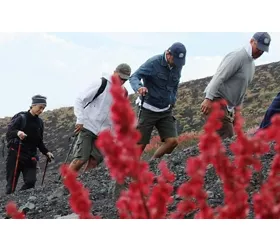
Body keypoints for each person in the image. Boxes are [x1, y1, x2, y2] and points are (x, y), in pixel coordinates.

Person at [201, 32, 272, 139]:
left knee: (221, 141)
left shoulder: (251, 65)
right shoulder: (238, 56)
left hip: (227, 108)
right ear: (251, 41)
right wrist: (208, 98)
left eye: (263, 50)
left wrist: (237, 113)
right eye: (259, 47)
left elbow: (242, 90)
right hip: (216, 101)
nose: (260, 52)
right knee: (227, 136)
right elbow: (219, 76)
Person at [68, 63, 131, 173]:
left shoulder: (124, 93)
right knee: (80, 159)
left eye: (125, 80)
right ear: (115, 72)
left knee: (94, 161)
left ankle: (85, 185)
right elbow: (79, 100)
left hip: (105, 133)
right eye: (120, 78)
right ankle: (66, 184)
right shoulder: (101, 83)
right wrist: (80, 119)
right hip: (88, 126)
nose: (121, 81)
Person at [129, 42, 186, 160]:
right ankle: (130, 172)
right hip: (147, 108)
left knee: (172, 142)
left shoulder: (177, 66)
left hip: (165, 110)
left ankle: (152, 163)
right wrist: (139, 87)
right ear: (169, 54)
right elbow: (134, 76)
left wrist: (172, 99)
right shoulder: (153, 63)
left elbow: (175, 85)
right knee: (140, 144)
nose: (177, 64)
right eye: (175, 60)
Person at [5, 95, 54, 194]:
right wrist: (18, 133)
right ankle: (8, 205)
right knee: (11, 186)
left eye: (43, 108)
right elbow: (9, 132)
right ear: (33, 105)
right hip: (16, 154)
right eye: (40, 107)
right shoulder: (21, 117)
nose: (41, 110)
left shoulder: (40, 122)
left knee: (31, 182)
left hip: (30, 156)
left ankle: (18, 200)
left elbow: (39, 141)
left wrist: (46, 152)